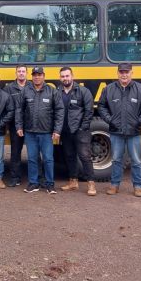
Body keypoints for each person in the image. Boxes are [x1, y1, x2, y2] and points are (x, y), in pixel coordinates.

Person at [98, 62, 141, 197]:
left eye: (127, 72)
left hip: (134, 132)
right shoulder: (109, 89)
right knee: (116, 159)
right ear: (117, 73)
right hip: (116, 131)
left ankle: (138, 186)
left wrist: (139, 121)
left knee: (136, 160)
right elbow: (101, 106)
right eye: (121, 72)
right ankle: (114, 184)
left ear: (131, 73)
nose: (124, 75)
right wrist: (110, 120)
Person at [16, 67, 64, 194]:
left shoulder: (52, 91)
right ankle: (33, 183)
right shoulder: (26, 91)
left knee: (48, 159)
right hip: (30, 132)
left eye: (39, 75)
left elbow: (60, 111)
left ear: (44, 76)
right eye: (35, 75)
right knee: (32, 158)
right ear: (32, 77)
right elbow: (19, 110)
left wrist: (57, 130)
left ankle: (50, 184)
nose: (37, 77)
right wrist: (19, 126)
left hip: (47, 133)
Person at [57, 66, 97, 196]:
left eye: (67, 76)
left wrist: (83, 127)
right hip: (65, 131)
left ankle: (91, 184)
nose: (65, 78)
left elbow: (89, 111)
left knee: (85, 157)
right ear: (60, 78)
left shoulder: (83, 91)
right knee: (69, 156)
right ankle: (73, 181)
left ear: (72, 76)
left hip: (80, 131)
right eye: (63, 76)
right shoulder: (58, 92)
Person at [4, 64, 28, 187]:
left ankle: (38, 178)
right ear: (16, 73)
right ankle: (15, 178)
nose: (21, 73)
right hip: (15, 125)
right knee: (15, 153)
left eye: (23, 71)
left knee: (34, 153)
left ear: (26, 73)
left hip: (30, 125)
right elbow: (6, 106)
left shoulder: (32, 86)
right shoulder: (9, 88)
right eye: (19, 71)